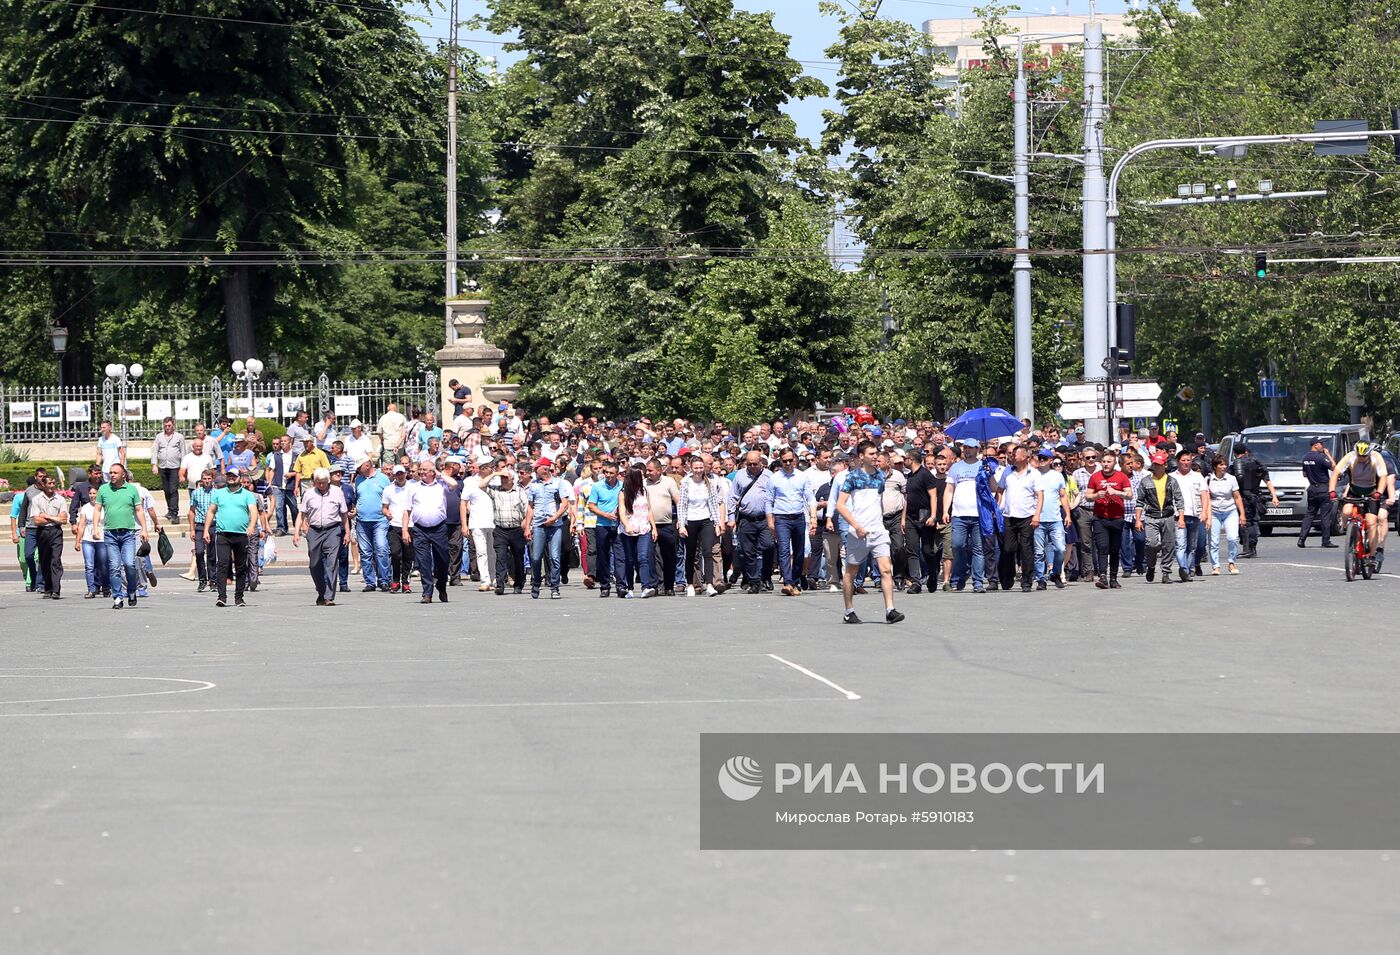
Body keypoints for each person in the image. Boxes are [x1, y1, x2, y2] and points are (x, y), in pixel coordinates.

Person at [834, 440, 904, 624]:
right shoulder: (853, 477)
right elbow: (840, 506)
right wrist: (856, 526)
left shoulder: (880, 476)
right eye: (871, 454)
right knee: (851, 571)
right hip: (858, 532)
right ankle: (849, 610)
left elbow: (878, 502)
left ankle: (890, 610)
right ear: (861, 456)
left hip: (878, 531)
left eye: (876, 453)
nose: (875, 457)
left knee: (886, 570)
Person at [92, 462, 147, 609]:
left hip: (128, 533)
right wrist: (95, 528)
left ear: (123, 475)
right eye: (111, 472)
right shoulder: (104, 489)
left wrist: (144, 529)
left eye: (115, 472)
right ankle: (117, 596)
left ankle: (131, 591)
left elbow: (139, 510)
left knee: (129, 564)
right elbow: (97, 509)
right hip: (110, 534)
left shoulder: (131, 489)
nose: (112, 475)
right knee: (114, 567)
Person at [203, 468, 260, 608]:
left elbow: (254, 511)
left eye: (234, 476)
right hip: (223, 534)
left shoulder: (247, 495)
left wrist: (252, 526)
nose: (231, 478)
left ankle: (239, 597)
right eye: (229, 475)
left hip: (241, 535)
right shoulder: (219, 493)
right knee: (222, 564)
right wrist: (206, 530)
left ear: (239, 478)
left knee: (241, 567)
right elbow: (211, 511)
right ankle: (221, 597)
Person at [295, 467, 350, 606]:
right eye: (318, 482)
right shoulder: (308, 494)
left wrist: (347, 532)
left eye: (323, 482)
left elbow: (344, 514)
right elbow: (301, 514)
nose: (321, 485)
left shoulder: (337, 493)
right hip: (314, 531)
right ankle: (321, 591)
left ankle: (329, 596)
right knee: (314, 564)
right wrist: (296, 533)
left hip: (333, 530)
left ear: (328, 481)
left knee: (332, 564)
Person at [766, 449, 815, 597]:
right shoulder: (774, 478)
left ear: (794, 459)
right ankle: (787, 582)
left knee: (799, 552)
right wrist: (770, 522)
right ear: (780, 461)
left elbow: (810, 498)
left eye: (790, 460)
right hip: (781, 518)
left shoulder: (802, 476)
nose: (787, 463)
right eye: (784, 461)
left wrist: (813, 517)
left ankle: (794, 580)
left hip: (799, 517)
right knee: (784, 550)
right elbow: (769, 501)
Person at [1328, 441, 1388, 562]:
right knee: (1346, 511)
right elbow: (1336, 473)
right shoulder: (1350, 457)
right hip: (1354, 490)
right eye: (1359, 456)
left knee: (1371, 523)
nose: (1361, 458)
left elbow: (1383, 477)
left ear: (1369, 453)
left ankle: (1372, 555)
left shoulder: (1376, 457)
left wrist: (1378, 493)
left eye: (1364, 456)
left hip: (1372, 492)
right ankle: (1349, 531)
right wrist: (1332, 491)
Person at [1134, 449, 1186, 584]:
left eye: (1160, 464)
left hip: (1168, 516)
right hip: (1151, 517)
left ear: (1165, 465)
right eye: (1155, 464)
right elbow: (1140, 501)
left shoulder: (1171, 481)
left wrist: (1180, 518)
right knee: (1151, 544)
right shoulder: (1146, 481)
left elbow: (1179, 500)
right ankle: (1151, 566)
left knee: (1168, 545)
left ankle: (1166, 573)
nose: (1157, 467)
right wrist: (1138, 520)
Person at [402, 462, 450, 604]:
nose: (421, 472)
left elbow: (454, 484)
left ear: (433, 472)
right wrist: (405, 530)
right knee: (424, 561)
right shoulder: (413, 487)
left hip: (439, 528)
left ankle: (441, 585)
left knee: (443, 559)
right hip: (420, 529)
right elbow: (407, 510)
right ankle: (427, 592)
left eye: (425, 470)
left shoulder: (441, 485)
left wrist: (440, 474)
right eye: (420, 469)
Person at [678, 453, 726, 596]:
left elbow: (712, 504)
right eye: (696, 468)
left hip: (706, 520)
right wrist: (681, 524)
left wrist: (717, 523)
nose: (698, 470)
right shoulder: (686, 482)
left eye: (700, 467)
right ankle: (691, 584)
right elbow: (682, 505)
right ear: (690, 468)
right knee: (691, 554)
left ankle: (709, 584)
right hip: (691, 520)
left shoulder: (709, 482)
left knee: (708, 551)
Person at [525, 458, 573, 599]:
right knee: (535, 557)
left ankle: (555, 586)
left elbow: (564, 504)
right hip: (539, 525)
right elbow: (530, 507)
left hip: (555, 525)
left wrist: (554, 517)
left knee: (555, 557)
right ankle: (536, 583)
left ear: (545, 469)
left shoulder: (558, 483)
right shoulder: (533, 485)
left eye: (537, 468)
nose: (534, 470)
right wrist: (527, 526)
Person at [1085, 449, 1132, 589]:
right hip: (1100, 518)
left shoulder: (1121, 477)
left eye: (1108, 462)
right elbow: (1087, 496)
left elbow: (1129, 495)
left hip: (1117, 517)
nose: (1106, 464)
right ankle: (1103, 576)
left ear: (1114, 463)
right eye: (1104, 462)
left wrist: (1117, 492)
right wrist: (1096, 496)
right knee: (1102, 547)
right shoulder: (1095, 477)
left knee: (1114, 549)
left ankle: (1113, 577)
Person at [729, 451, 774, 594]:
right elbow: (732, 497)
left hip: (764, 518)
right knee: (748, 552)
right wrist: (731, 518)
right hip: (746, 518)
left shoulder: (769, 476)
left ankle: (766, 575)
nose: (753, 467)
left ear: (761, 462)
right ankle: (754, 581)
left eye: (755, 464)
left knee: (768, 546)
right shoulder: (740, 476)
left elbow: (775, 496)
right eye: (750, 464)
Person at [945, 438, 985, 593]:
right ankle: (963, 572)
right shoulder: (956, 467)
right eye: (965, 447)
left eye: (971, 448)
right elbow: (949, 490)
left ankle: (978, 582)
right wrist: (945, 511)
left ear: (977, 449)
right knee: (957, 545)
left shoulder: (983, 465)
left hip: (978, 514)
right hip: (959, 514)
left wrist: (990, 472)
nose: (967, 450)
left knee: (978, 549)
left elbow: (993, 487)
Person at [997, 445, 1038, 592]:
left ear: (1025, 457)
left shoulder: (1034, 473)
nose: (1012, 457)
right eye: (1012, 454)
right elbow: (1000, 490)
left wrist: (1037, 515)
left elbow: (1040, 496)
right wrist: (997, 507)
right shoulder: (1007, 471)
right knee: (1008, 548)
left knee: (1026, 549)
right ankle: (1008, 577)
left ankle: (1027, 581)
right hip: (1009, 516)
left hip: (1027, 516)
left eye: (1016, 454)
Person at [1228, 442, 1279, 558]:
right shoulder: (1257, 462)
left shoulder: (1237, 463)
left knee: (1245, 522)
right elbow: (1267, 480)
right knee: (1252, 522)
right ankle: (1251, 548)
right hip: (1255, 496)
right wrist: (1274, 496)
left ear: (1235, 453)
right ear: (1246, 451)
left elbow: (1233, 480)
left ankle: (1248, 549)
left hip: (1243, 497)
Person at [486, 465, 529, 594]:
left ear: (512, 480)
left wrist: (526, 525)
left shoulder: (520, 492)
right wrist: (495, 474)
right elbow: (482, 485)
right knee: (501, 556)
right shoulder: (496, 490)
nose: (503, 480)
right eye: (502, 478)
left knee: (518, 557)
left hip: (516, 529)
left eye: (506, 478)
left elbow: (527, 510)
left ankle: (519, 583)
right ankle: (500, 584)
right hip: (500, 529)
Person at [616, 465, 657, 598]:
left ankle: (646, 586)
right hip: (629, 530)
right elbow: (622, 513)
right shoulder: (623, 493)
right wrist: (627, 525)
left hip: (644, 528)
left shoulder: (644, 491)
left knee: (643, 557)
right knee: (629, 559)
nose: (643, 478)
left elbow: (649, 509)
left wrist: (654, 527)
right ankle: (630, 587)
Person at [1032, 449, 1070, 590]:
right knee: (1038, 552)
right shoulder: (1033, 474)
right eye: (1039, 458)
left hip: (1055, 518)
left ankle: (1055, 573)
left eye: (1044, 458)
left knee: (1060, 549)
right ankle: (1040, 579)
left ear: (1050, 461)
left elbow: (1063, 495)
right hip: (1038, 519)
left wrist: (1068, 514)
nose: (1041, 460)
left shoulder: (1057, 476)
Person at [1170, 449, 1210, 581]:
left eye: (1188, 460)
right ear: (1178, 462)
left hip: (1194, 515)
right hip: (1177, 515)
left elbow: (1204, 495)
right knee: (1180, 544)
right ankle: (1184, 568)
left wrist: (1204, 512)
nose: (1186, 463)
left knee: (1192, 546)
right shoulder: (1171, 477)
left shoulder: (1198, 476)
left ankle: (1188, 568)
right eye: (1183, 460)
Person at [644, 458, 682, 596]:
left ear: (659, 470)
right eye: (647, 470)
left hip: (667, 524)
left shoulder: (669, 482)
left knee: (669, 556)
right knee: (653, 557)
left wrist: (681, 520)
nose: (647, 473)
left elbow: (678, 500)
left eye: (650, 470)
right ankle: (657, 585)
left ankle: (669, 585)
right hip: (649, 525)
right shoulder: (644, 483)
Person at [585, 461, 623, 597]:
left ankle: (621, 585)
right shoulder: (597, 486)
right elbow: (592, 506)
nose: (608, 475)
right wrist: (606, 514)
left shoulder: (623, 487)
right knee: (603, 556)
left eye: (611, 473)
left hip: (618, 525)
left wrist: (619, 513)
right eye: (606, 472)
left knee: (620, 556)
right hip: (602, 525)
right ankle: (605, 585)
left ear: (617, 474)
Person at [354, 460, 391, 592]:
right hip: (362, 521)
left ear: (367, 465)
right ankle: (370, 581)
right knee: (365, 553)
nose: (358, 470)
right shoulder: (358, 479)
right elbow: (357, 498)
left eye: (360, 467)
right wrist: (355, 510)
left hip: (380, 520)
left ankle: (384, 580)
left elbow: (390, 498)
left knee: (381, 549)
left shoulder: (383, 479)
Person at [1206, 454, 1246, 575]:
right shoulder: (1208, 479)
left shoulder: (1231, 478)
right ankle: (1216, 566)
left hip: (1230, 511)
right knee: (1213, 541)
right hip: (1214, 512)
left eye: (1225, 464)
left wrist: (1242, 514)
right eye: (1221, 464)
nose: (1223, 467)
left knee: (1232, 538)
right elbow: (1206, 498)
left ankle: (1232, 563)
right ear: (1215, 466)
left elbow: (1237, 497)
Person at [462, 460, 497, 592]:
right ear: (483, 468)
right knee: (481, 552)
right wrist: (464, 525)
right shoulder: (470, 482)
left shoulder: (496, 480)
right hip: (477, 522)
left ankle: (494, 578)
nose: (492, 469)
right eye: (490, 467)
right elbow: (463, 503)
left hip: (493, 522)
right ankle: (485, 580)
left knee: (492, 552)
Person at [30, 473, 66, 599]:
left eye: (53, 483)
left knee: (56, 560)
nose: (52, 486)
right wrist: (55, 518)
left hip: (56, 532)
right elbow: (37, 521)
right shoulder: (37, 499)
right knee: (45, 560)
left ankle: (56, 589)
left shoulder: (60, 499)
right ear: (43, 485)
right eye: (49, 483)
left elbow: (63, 520)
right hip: (43, 532)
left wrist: (48, 516)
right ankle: (48, 588)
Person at [1298, 436, 1336, 548]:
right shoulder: (1321, 457)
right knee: (1325, 516)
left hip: (1312, 489)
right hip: (1323, 489)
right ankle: (1325, 541)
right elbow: (1334, 467)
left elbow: (1304, 474)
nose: (1323, 446)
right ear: (1315, 445)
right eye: (1321, 444)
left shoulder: (1305, 457)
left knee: (1309, 515)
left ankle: (1301, 539)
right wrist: (1328, 454)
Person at [382, 465, 414, 592]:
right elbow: (384, 507)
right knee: (395, 553)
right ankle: (395, 580)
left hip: (410, 525)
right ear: (394, 475)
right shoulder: (388, 489)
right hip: (394, 525)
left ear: (405, 473)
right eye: (397, 474)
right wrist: (386, 513)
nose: (400, 476)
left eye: (401, 473)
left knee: (408, 555)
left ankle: (405, 581)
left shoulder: (412, 487)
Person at [73, 486, 108, 599]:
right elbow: (82, 525)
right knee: (89, 565)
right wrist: (78, 541)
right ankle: (91, 589)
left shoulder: (104, 507)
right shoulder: (85, 508)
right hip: (88, 540)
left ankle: (106, 587)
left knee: (103, 565)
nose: (93, 496)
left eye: (95, 493)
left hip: (102, 539)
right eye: (91, 493)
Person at [149, 416, 185, 522]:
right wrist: (154, 464)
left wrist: (183, 469)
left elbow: (183, 453)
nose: (167, 427)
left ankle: (174, 513)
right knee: (166, 490)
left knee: (173, 490)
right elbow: (155, 451)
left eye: (169, 425)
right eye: (165, 425)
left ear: (173, 425)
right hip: (163, 467)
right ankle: (170, 510)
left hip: (175, 467)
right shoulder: (159, 437)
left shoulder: (179, 437)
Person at [187, 468, 216, 592]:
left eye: (209, 479)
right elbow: (192, 511)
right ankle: (202, 579)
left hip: (214, 525)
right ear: (201, 479)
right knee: (199, 552)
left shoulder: (217, 493)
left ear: (212, 480)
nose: (207, 481)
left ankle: (213, 580)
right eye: (205, 479)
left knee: (212, 553)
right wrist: (192, 529)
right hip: (200, 525)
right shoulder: (196, 493)